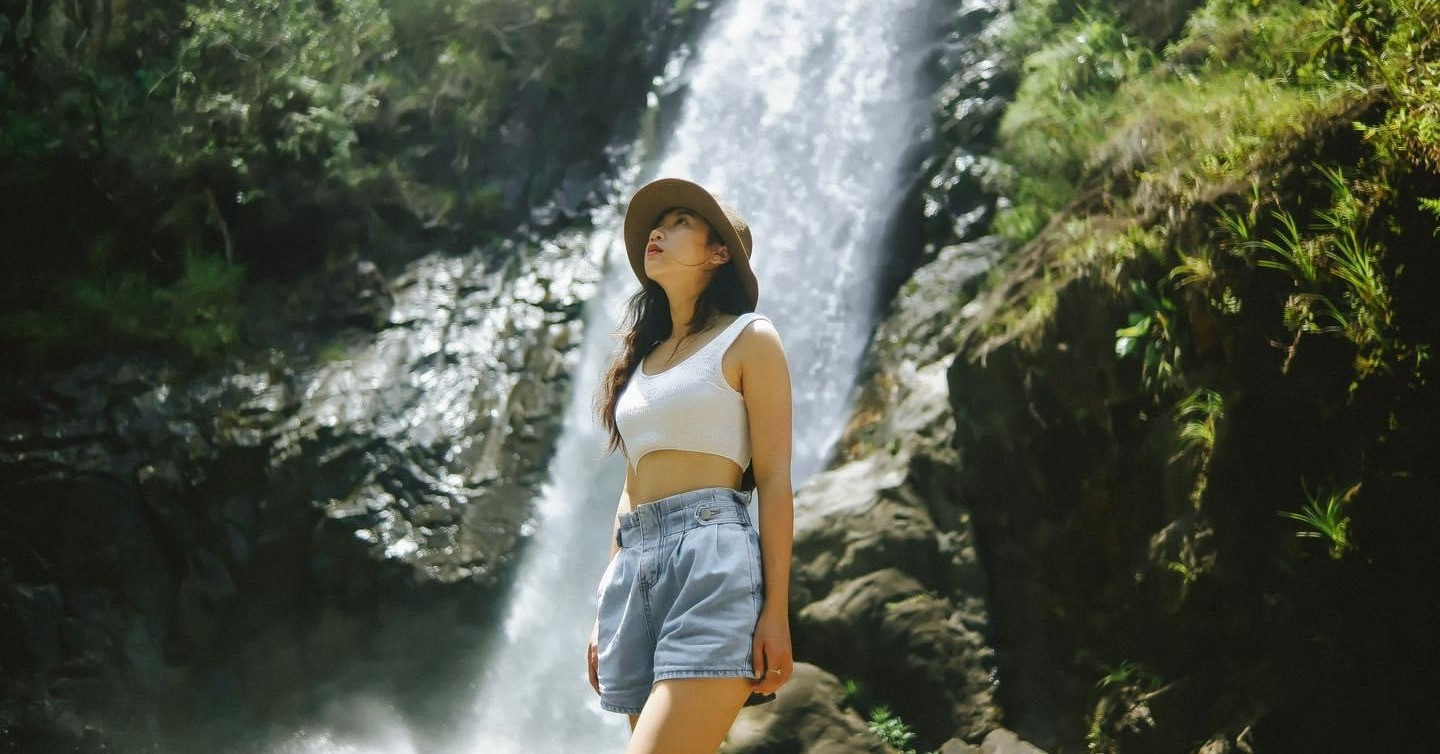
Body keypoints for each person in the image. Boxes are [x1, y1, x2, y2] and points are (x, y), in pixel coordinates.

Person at [588, 177, 795, 753]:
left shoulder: (750, 339)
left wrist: (775, 613)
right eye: (659, 223)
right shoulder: (644, 358)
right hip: (636, 571)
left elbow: (775, 479)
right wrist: (605, 608)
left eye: (680, 222)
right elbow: (631, 491)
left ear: (718, 252)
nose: (659, 230)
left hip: (713, 565)